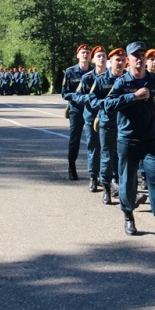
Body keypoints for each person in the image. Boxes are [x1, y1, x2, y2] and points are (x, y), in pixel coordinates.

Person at [103, 41, 155, 241]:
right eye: (135, 56)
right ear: (128, 60)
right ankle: (128, 215)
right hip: (128, 140)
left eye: (142, 55)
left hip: (152, 139)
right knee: (128, 180)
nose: (139, 59)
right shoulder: (122, 83)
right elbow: (107, 105)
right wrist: (133, 97)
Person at [88, 48, 127, 205]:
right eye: (117, 59)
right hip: (108, 124)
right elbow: (93, 101)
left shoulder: (128, 79)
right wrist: (108, 104)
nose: (120, 62)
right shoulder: (101, 80)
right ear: (111, 61)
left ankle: (120, 187)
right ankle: (106, 188)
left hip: (125, 124)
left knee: (124, 158)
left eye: (123, 59)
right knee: (107, 158)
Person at [77, 46, 108, 192]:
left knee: (107, 148)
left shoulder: (112, 77)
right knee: (93, 147)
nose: (101, 58)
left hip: (108, 117)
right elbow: (77, 96)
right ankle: (93, 176)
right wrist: (90, 98)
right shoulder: (87, 78)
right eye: (99, 56)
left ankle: (106, 177)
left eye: (103, 56)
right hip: (91, 116)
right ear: (93, 59)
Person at [62, 44, 92, 180]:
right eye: (83, 52)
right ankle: (71, 166)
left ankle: (94, 172)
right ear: (78, 55)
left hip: (91, 109)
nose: (85, 54)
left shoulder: (94, 72)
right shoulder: (70, 72)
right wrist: (78, 97)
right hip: (76, 109)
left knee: (94, 140)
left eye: (87, 52)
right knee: (75, 139)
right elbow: (65, 93)